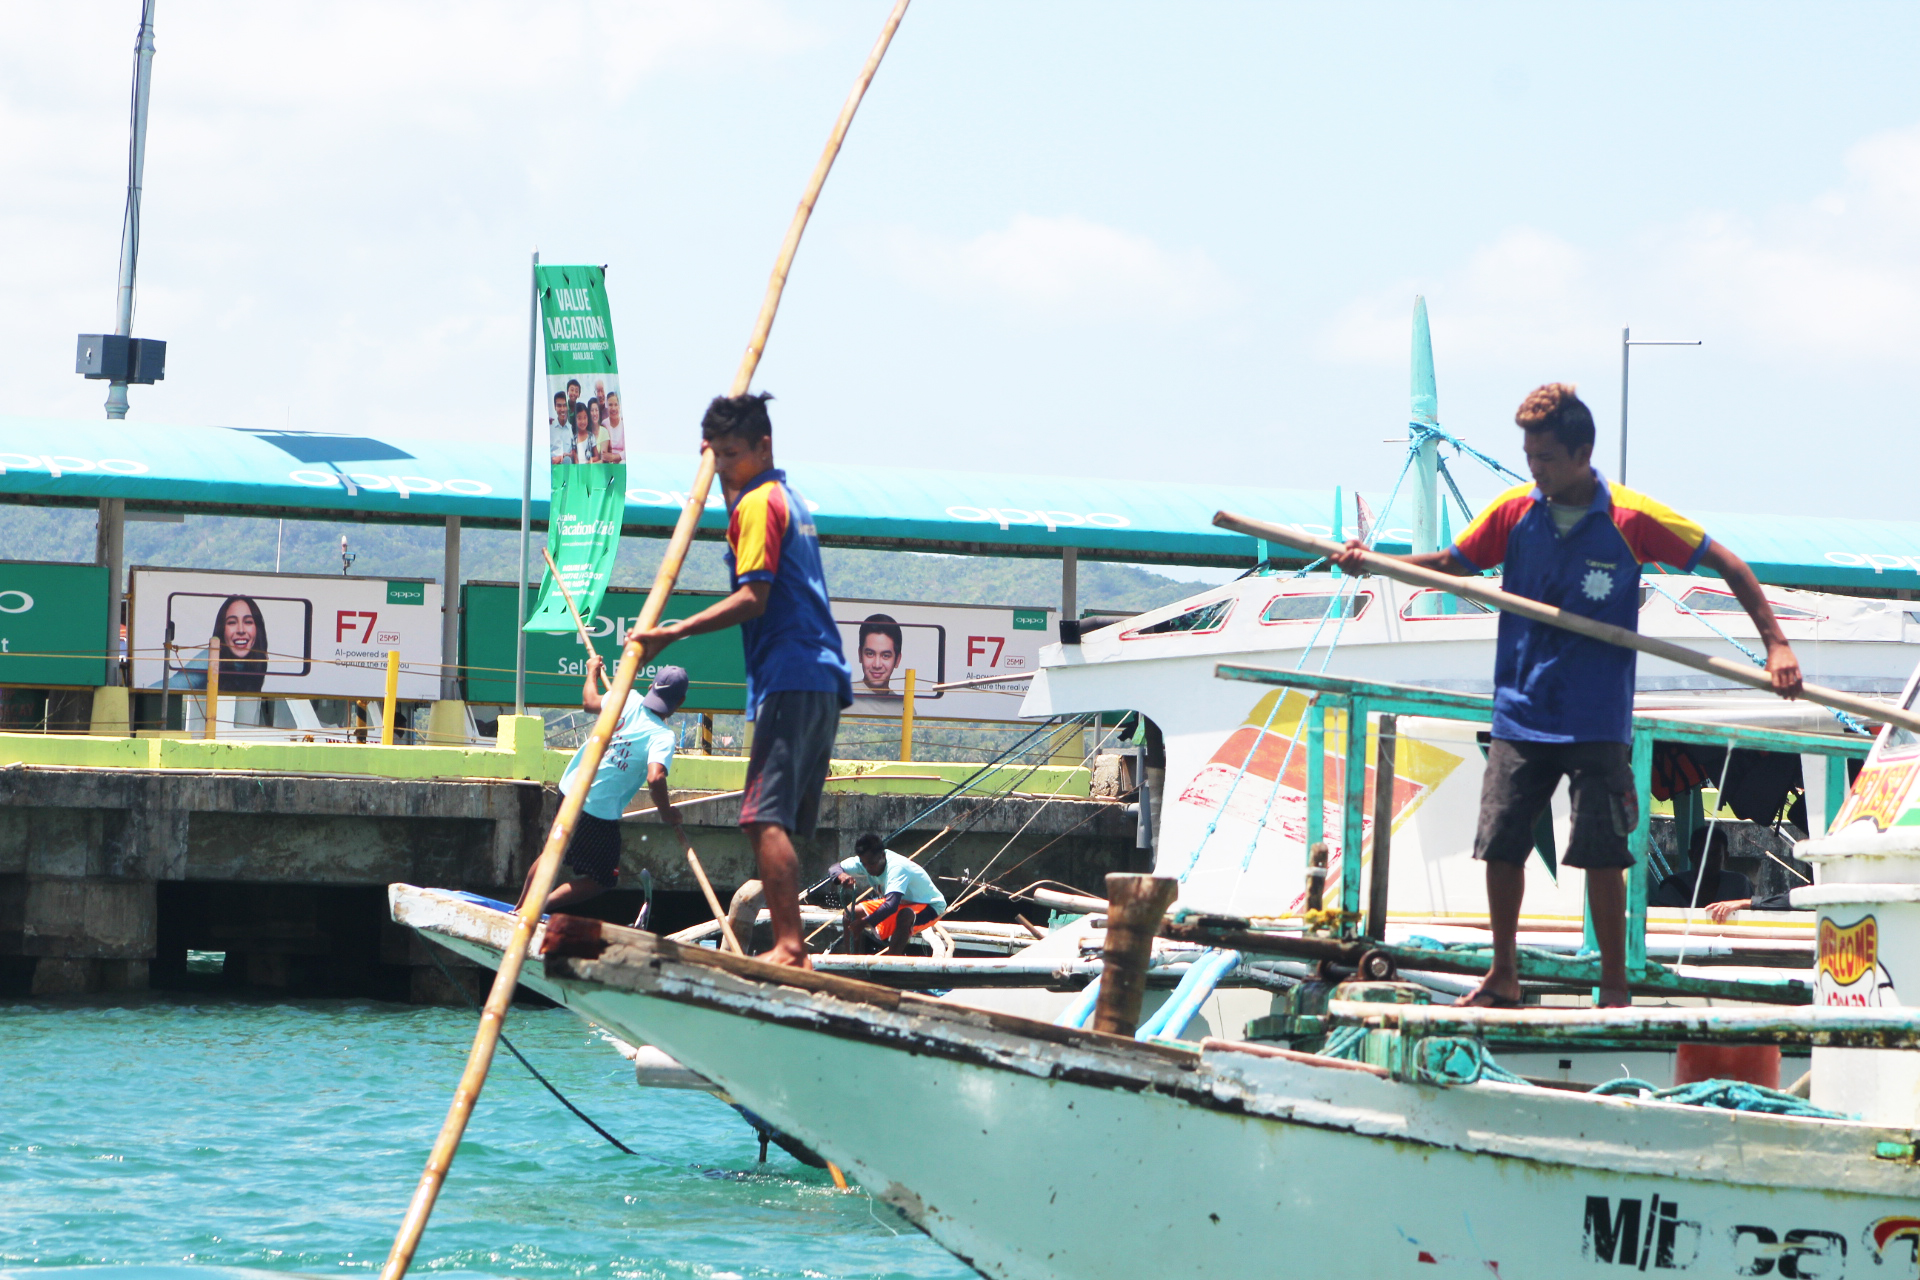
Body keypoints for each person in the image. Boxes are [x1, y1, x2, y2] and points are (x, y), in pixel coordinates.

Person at [1333, 383, 1803, 1008]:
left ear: (1583, 453)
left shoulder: (1632, 519)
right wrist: (1378, 564)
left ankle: (1614, 987)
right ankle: (1503, 974)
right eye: (1529, 460)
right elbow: (1452, 563)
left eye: (1547, 460)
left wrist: (1777, 646)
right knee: (1502, 843)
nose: (1536, 473)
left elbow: (1731, 565)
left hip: (1597, 718)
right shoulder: (1513, 514)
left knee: (1602, 852)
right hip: (1522, 711)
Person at [629, 392, 852, 968]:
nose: (723, 465)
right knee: (775, 820)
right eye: (715, 455)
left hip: (792, 672)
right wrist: (719, 463)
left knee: (760, 816)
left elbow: (754, 597)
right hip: (819, 675)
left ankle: (790, 948)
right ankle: (790, 943)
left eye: (733, 453)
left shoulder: (758, 505)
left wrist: (672, 632)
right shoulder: (784, 497)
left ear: (763, 447)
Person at [517, 659, 688, 914]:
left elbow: (589, 702)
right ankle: (532, 909)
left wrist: (591, 673)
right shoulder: (662, 736)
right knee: (603, 879)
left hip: (571, 786)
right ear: (680, 703)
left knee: (554, 851)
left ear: (652, 686)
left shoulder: (627, 698)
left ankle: (518, 908)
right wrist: (666, 812)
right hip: (596, 810)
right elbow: (655, 777)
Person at [833, 832, 947, 954]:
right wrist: (842, 875)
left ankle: (890, 964)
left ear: (883, 855)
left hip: (929, 906)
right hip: (902, 902)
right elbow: (834, 868)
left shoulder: (897, 867)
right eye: (864, 864)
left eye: (872, 864)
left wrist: (864, 922)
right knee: (850, 913)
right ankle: (852, 964)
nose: (868, 868)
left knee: (905, 914)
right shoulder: (865, 861)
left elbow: (891, 906)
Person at [1649, 825, 1753, 909]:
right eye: (1702, 853)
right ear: (1691, 855)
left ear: (1725, 856)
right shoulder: (1673, 886)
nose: (1708, 859)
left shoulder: (1739, 885)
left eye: (1714, 854)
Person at [855, 613, 904, 698]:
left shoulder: (904, 708)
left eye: (885, 656)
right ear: (860, 655)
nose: (877, 665)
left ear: (897, 660)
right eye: (870, 654)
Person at [604, 391, 626, 463]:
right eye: (610, 405)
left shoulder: (624, 424)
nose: (613, 408)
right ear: (606, 406)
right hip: (608, 462)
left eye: (616, 405)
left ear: (619, 406)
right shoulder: (604, 424)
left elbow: (628, 450)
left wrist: (615, 457)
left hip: (622, 461)